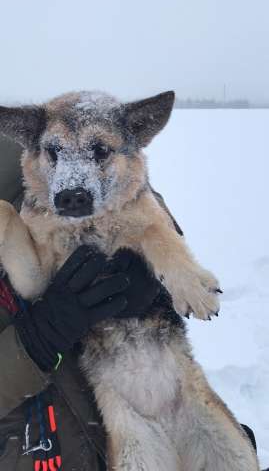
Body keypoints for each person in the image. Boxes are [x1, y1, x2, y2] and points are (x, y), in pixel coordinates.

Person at [0, 137, 263, 470]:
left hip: (135, 397)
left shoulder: (14, 141)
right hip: (34, 450)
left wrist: (153, 263)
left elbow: (133, 189)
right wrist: (33, 343)